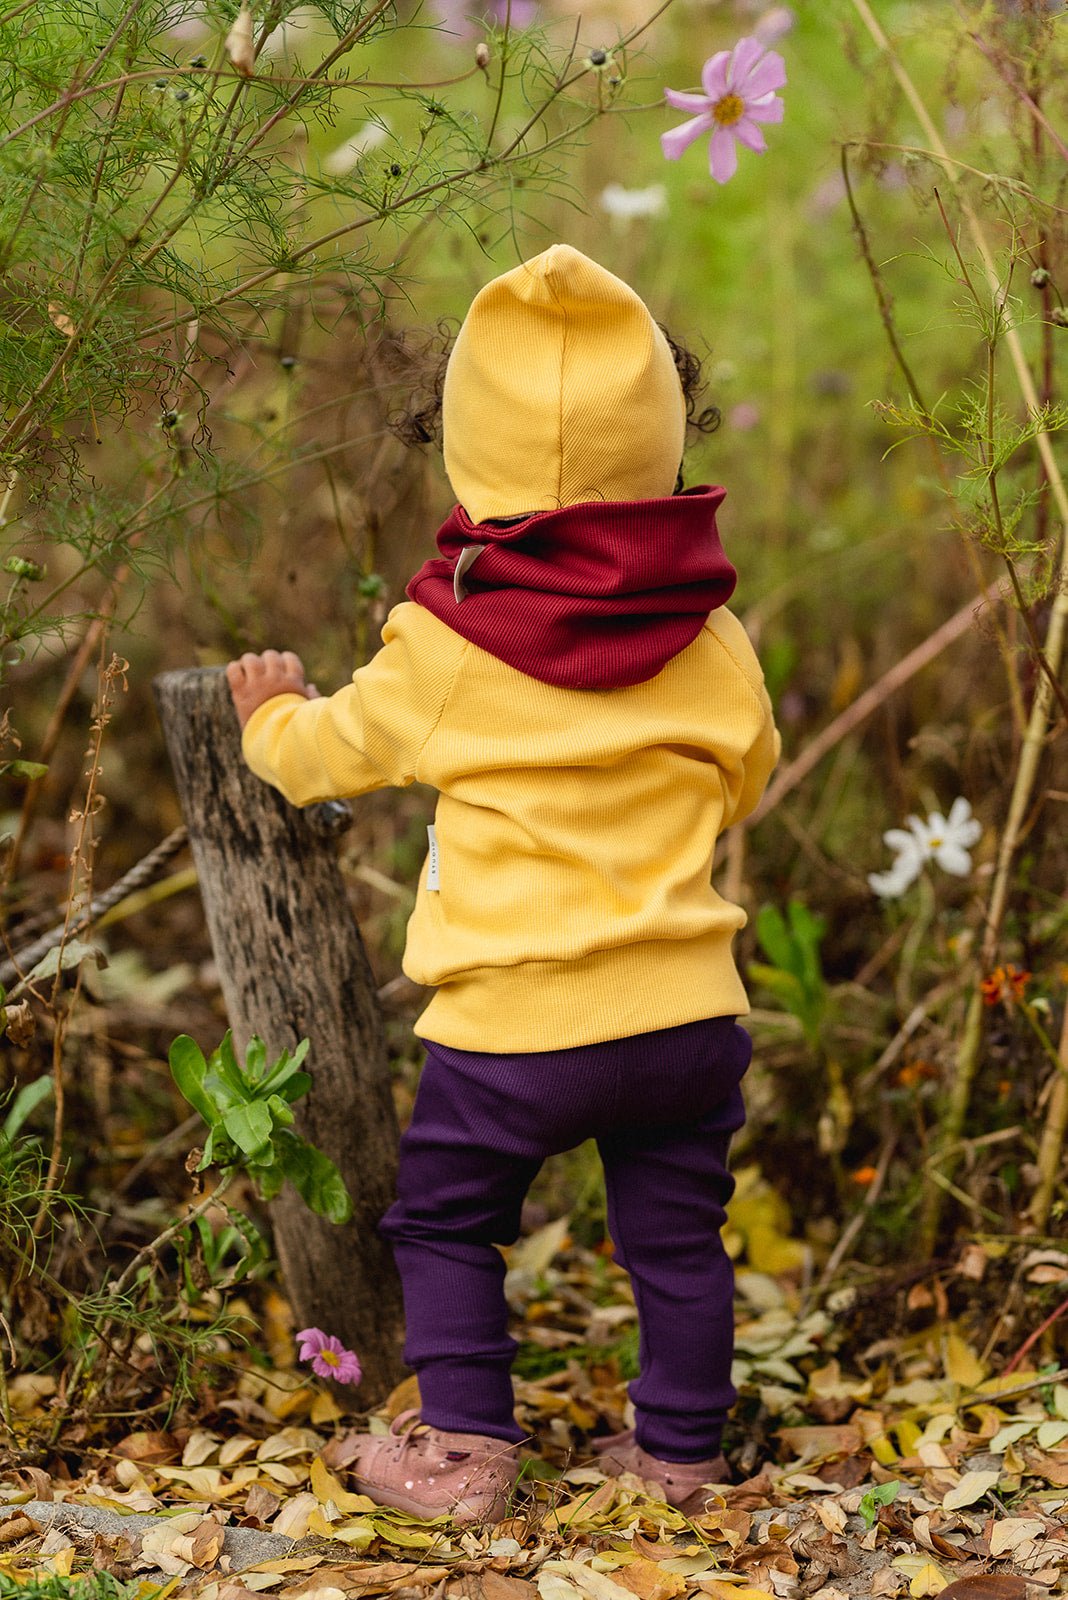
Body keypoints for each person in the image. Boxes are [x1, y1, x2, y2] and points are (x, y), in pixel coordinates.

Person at [226, 244, 779, 1526]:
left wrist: (268, 723)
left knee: (446, 1218)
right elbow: (741, 774)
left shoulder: (447, 642)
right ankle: (683, 1455)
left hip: (515, 1030)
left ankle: (469, 1450)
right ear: (664, 436)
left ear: (470, 442)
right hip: (687, 1013)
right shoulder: (711, 630)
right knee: (676, 1242)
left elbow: (331, 753)